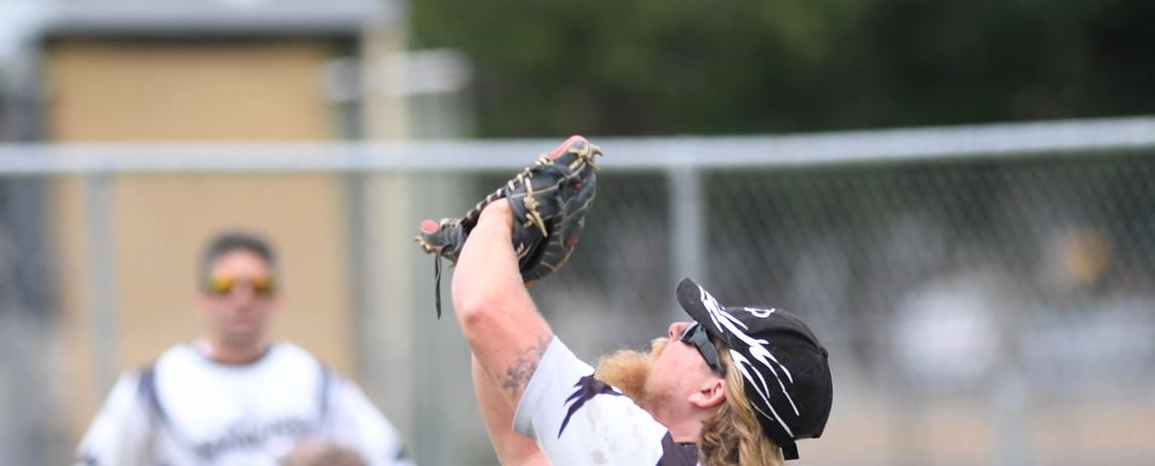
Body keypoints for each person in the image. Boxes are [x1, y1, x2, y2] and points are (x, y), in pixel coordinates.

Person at [436, 197, 833, 465]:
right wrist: (497, 264)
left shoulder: (644, 453)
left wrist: (498, 215)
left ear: (712, 391)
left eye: (697, 336)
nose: (676, 329)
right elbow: (526, 454)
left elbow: (482, 308)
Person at [74, 231, 412, 466]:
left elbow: (390, 455)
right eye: (225, 287)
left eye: (259, 287)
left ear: (276, 298)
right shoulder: (154, 385)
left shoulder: (311, 377)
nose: (242, 300)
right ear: (201, 298)